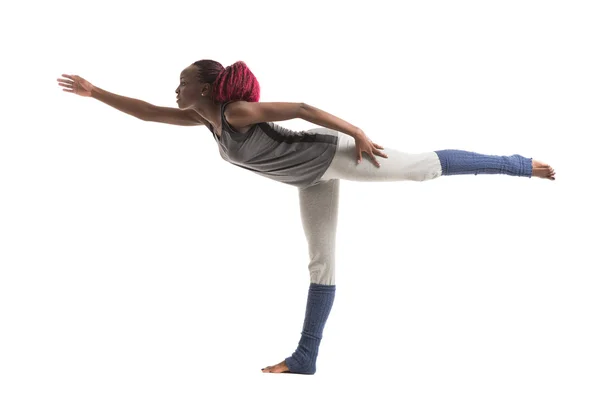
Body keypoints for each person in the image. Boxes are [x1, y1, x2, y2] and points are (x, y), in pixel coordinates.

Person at [57, 59, 556, 375]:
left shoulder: (236, 113)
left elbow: (300, 106)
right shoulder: (202, 120)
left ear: (208, 89)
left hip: (335, 155)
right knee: (322, 264)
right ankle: (306, 358)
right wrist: (95, 91)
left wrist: (357, 131)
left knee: (420, 169)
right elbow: (146, 112)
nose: (175, 88)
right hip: (308, 180)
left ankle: (517, 165)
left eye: (182, 82)